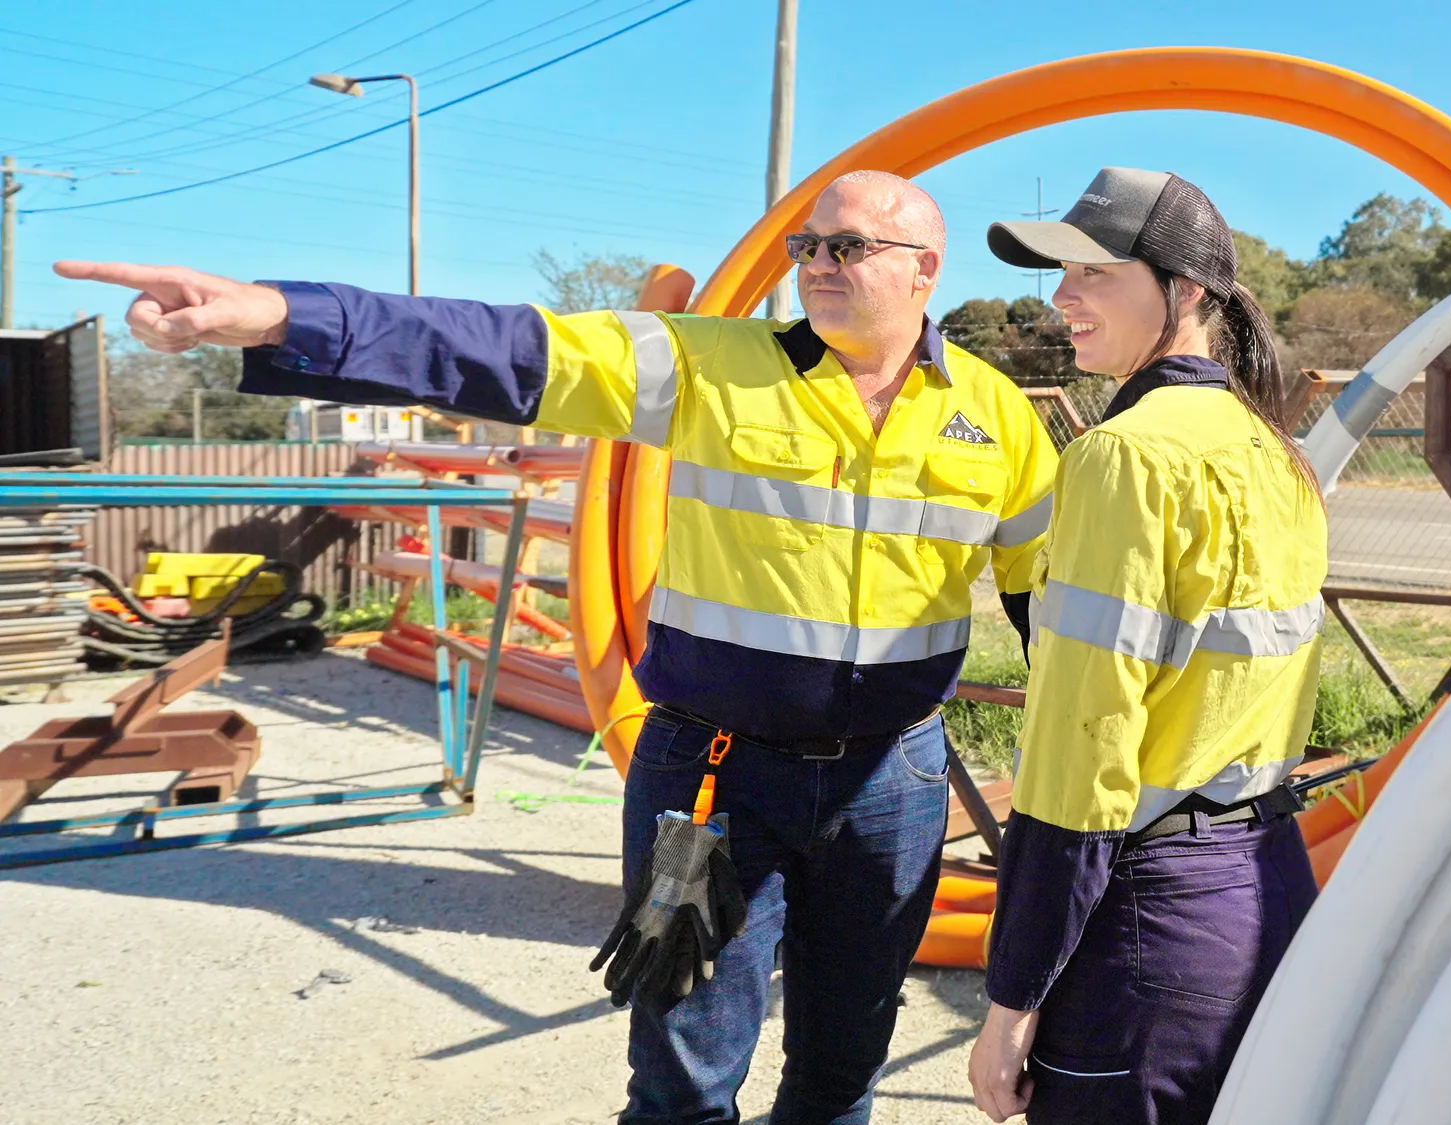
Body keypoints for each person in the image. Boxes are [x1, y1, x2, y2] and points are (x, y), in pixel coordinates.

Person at [57, 169, 1059, 1125]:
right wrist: (283, 314)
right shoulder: (707, 364)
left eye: (849, 245)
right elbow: (505, 347)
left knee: (845, 1066)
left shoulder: (999, 418)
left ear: (925, 270)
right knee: (681, 1065)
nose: (819, 262)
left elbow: (1040, 599)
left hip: (891, 783)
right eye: (808, 244)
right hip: (709, 780)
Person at [965, 167, 1326, 1125]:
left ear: (1189, 291)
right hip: (1264, 887)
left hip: (1147, 930)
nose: (1060, 297)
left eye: (1094, 271)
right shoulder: (1272, 453)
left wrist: (1011, 996)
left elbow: (1080, 761)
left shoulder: (1121, 455)